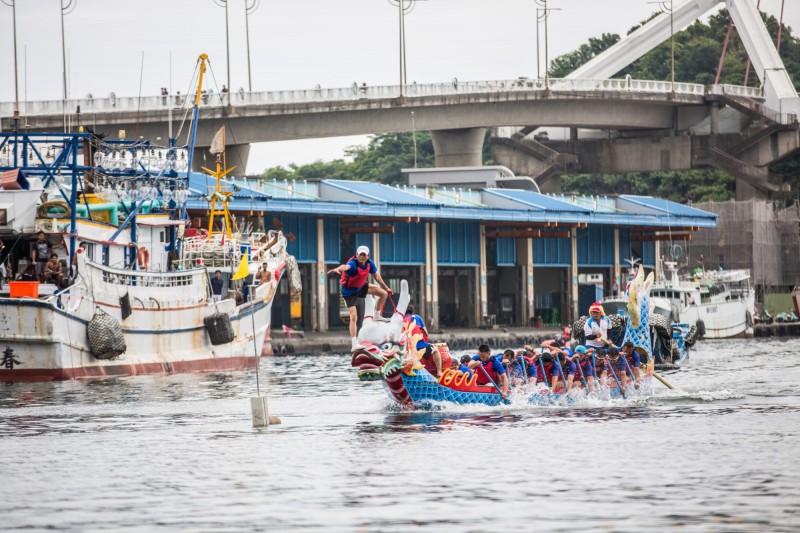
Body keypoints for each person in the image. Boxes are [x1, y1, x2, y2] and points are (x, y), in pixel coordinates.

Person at [328, 245, 392, 351]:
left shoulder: (369, 263)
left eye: (364, 255)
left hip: (361, 287)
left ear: (368, 256)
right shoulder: (353, 264)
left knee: (383, 294)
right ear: (357, 255)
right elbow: (345, 267)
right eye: (360, 255)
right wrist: (337, 269)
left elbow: (377, 277)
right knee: (354, 316)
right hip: (349, 293)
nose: (362, 257)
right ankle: (354, 344)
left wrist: (387, 288)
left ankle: (376, 315)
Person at [404, 305, 442, 378]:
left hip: (407, 349)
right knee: (435, 350)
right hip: (420, 346)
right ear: (413, 312)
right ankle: (439, 372)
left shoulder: (401, 320)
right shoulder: (417, 317)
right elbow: (426, 332)